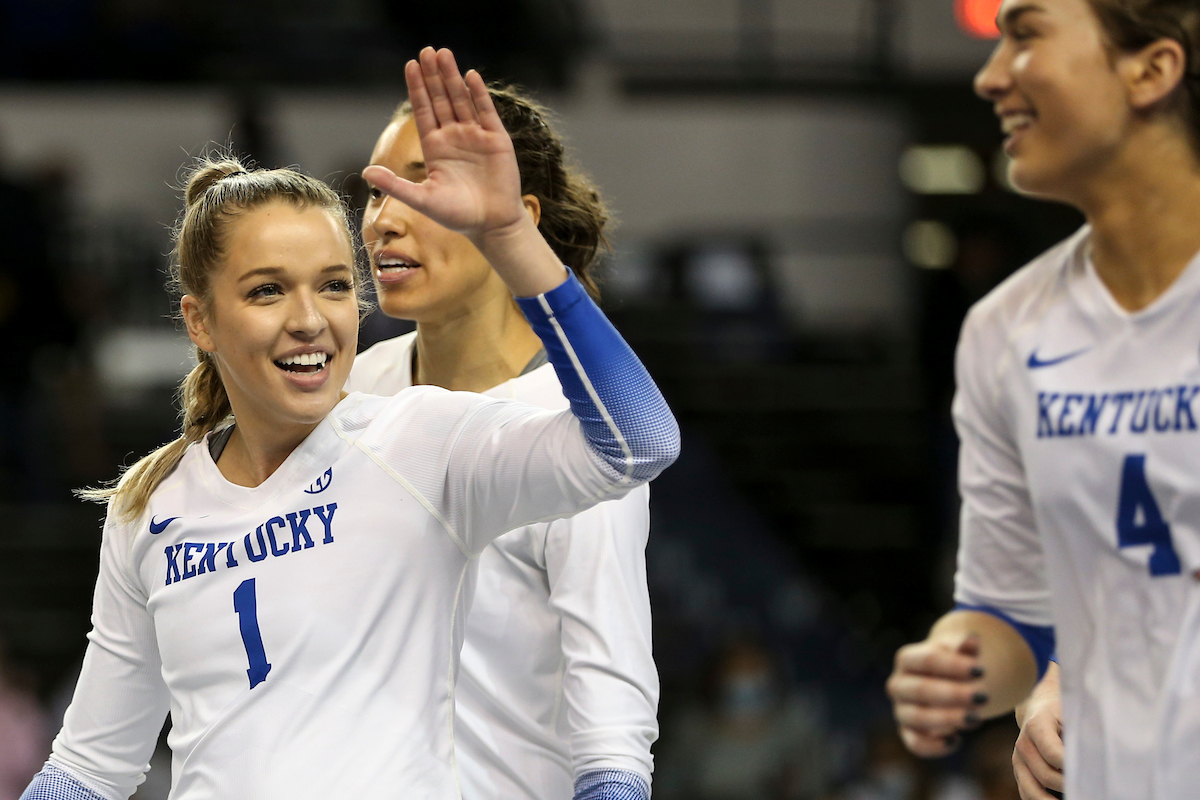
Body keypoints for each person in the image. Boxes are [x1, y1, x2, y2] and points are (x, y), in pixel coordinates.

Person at [20, 47, 678, 800]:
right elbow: (90, 765)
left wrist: (508, 238)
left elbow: (641, 448)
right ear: (198, 321)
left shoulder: (420, 437)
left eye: (333, 286)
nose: (309, 321)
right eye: (269, 290)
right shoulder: (159, 500)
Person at [884, 1, 1200, 799]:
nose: (991, 78)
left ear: (1152, 69)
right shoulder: (1005, 328)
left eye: (1025, 36)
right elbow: (1011, 611)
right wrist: (965, 665)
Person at [347, 86, 658, 800]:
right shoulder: (349, 394)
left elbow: (611, 719)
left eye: (424, 184)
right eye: (376, 193)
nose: (384, 221)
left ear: (516, 215)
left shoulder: (580, 428)